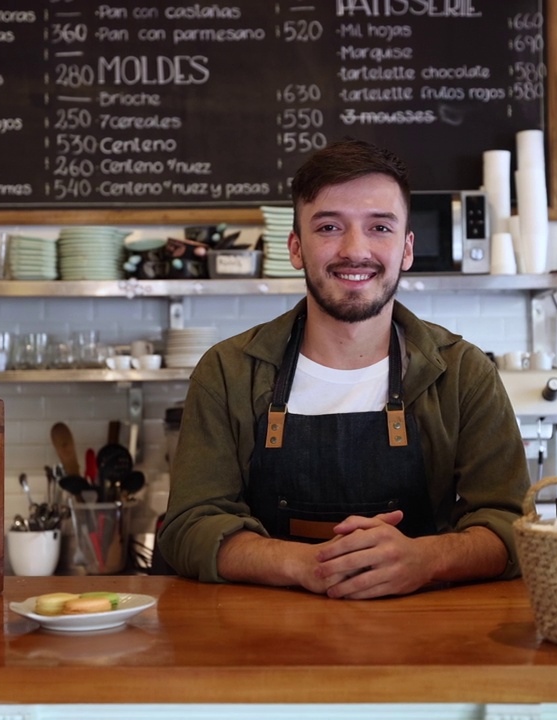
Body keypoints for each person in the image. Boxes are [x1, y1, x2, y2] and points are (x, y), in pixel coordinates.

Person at [157, 139, 530, 599]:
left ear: (406, 248)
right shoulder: (228, 372)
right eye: (330, 226)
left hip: (428, 641)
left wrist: (427, 559)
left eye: (380, 227)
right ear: (296, 248)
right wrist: (304, 564)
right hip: (260, 645)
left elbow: (511, 525)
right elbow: (190, 526)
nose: (356, 250)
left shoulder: (462, 373)